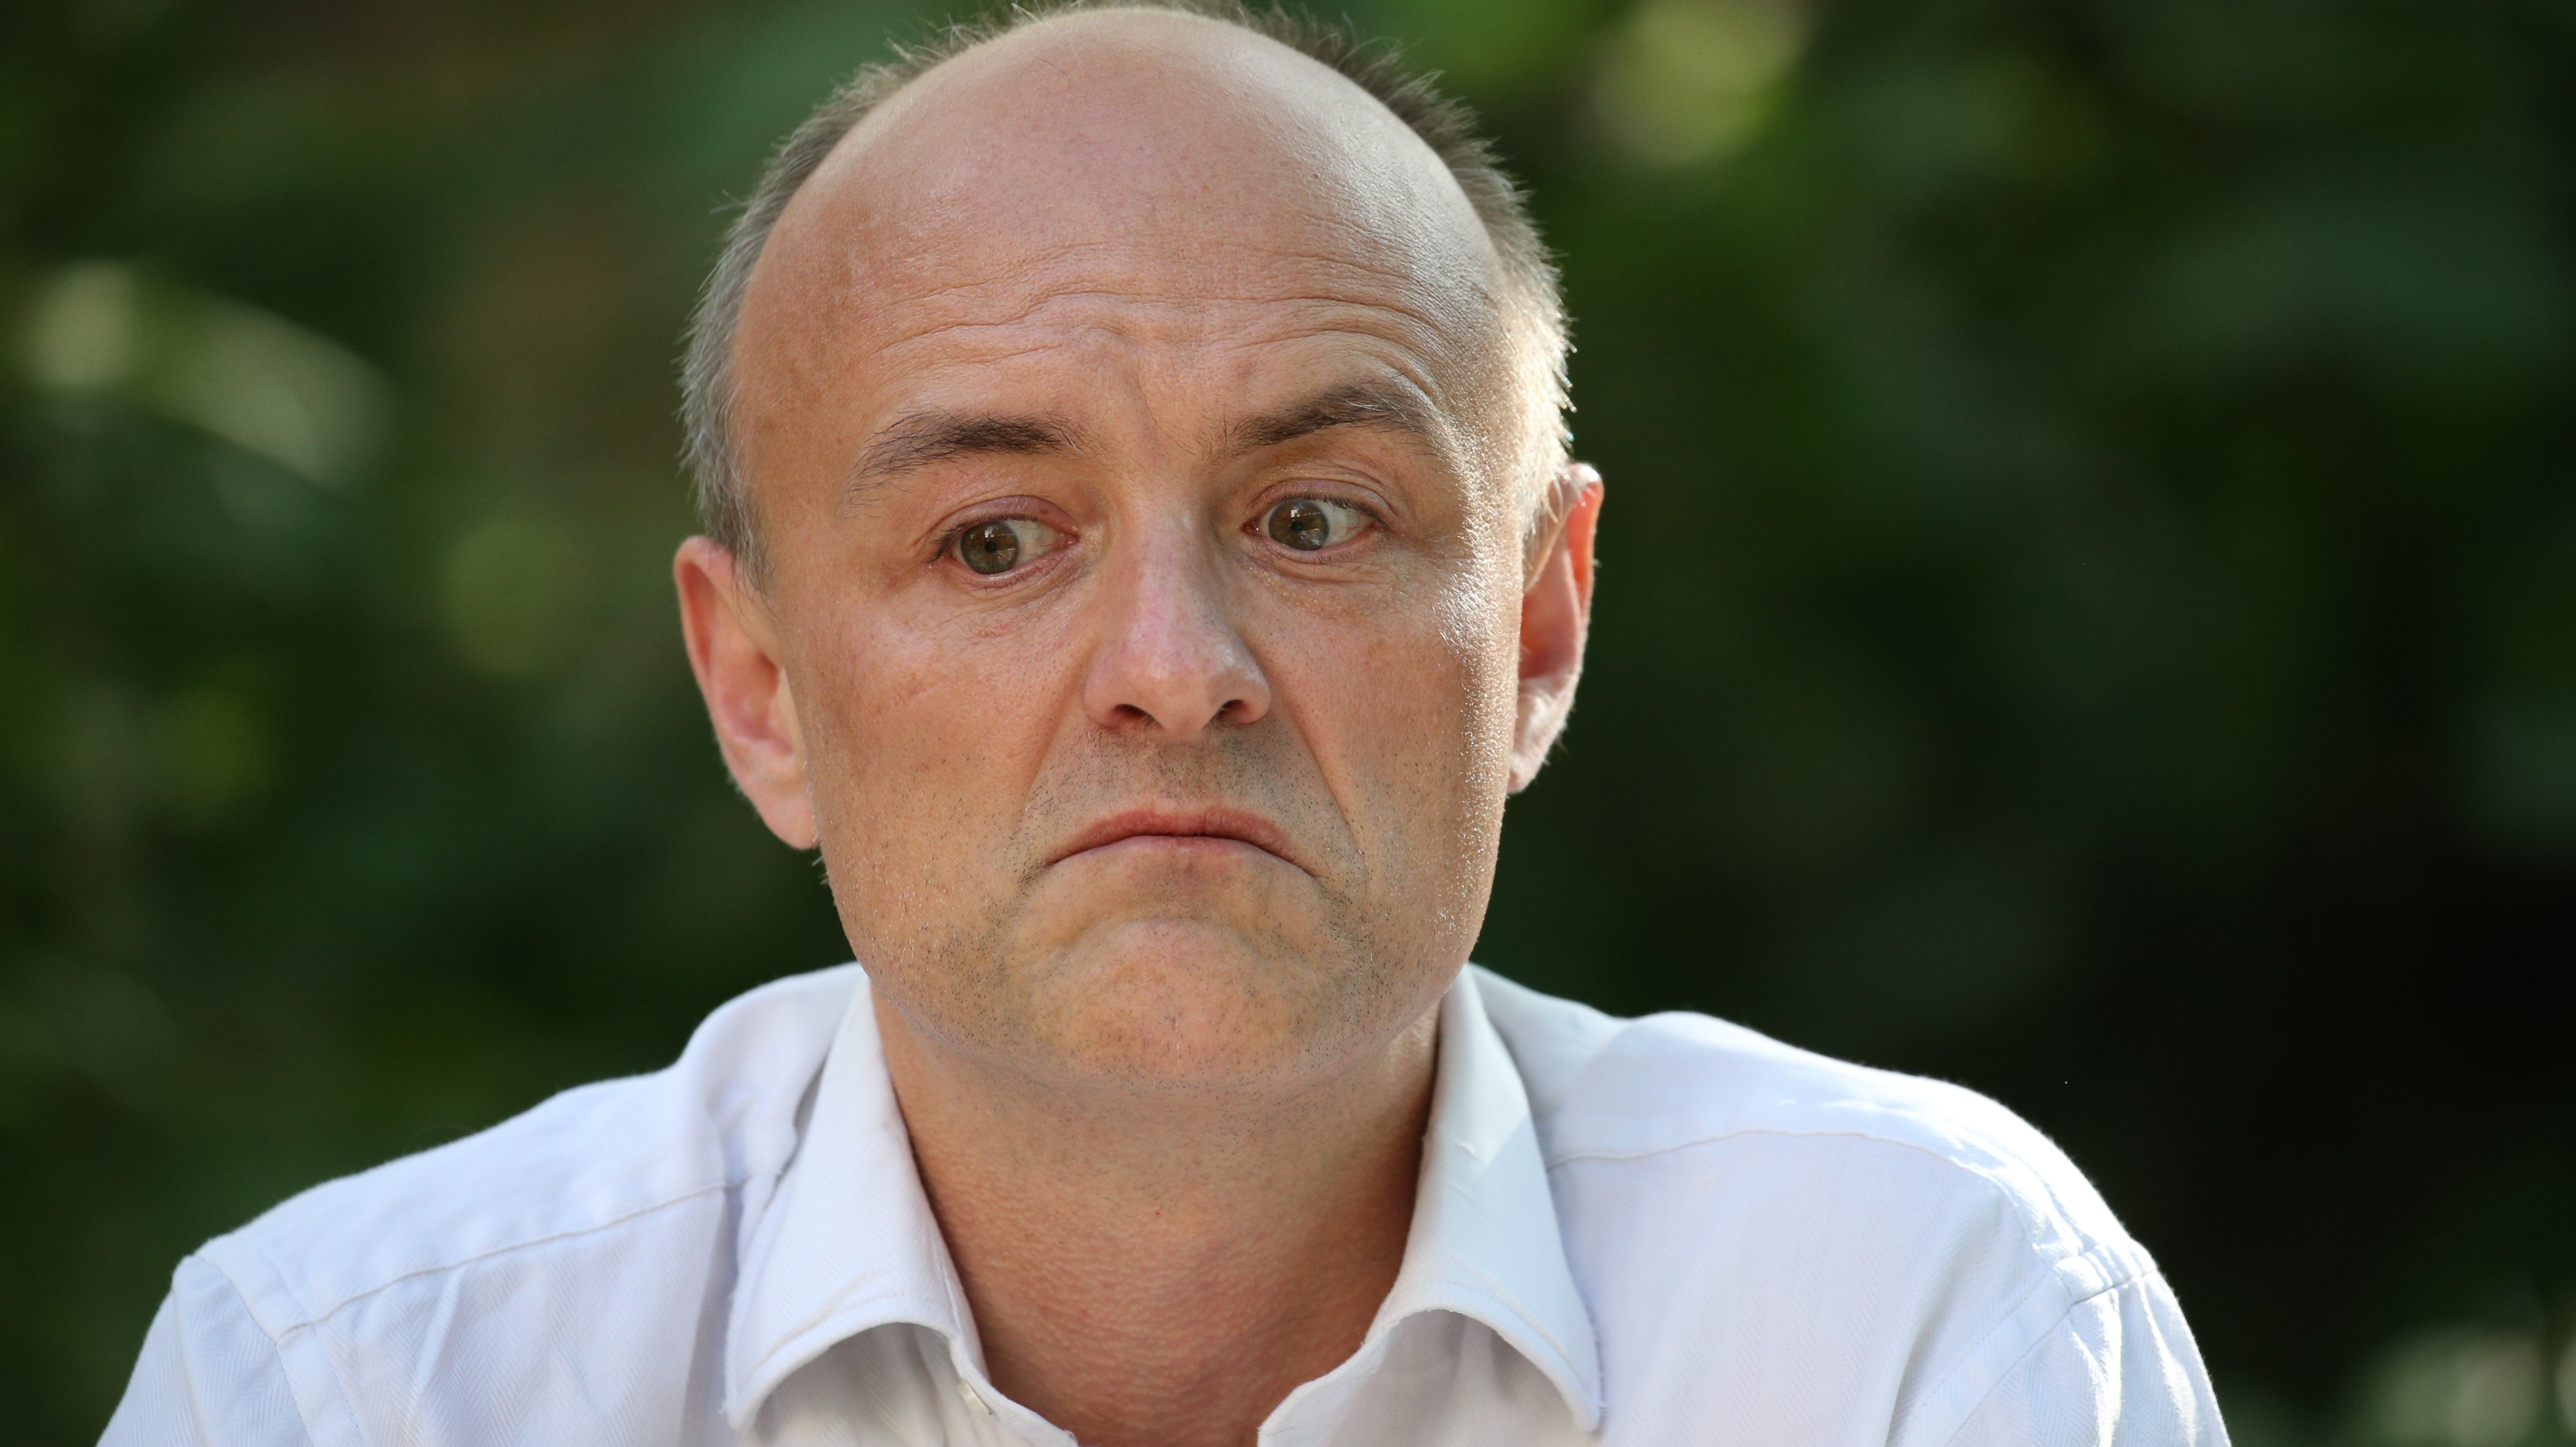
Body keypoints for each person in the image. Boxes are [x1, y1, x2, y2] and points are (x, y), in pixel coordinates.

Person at [101, 3, 2226, 1444]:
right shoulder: (360, 1391)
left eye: (1314, 518)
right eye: (995, 542)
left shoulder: (1910, 1323)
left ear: (1538, 630)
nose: (1173, 664)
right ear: (760, 691)